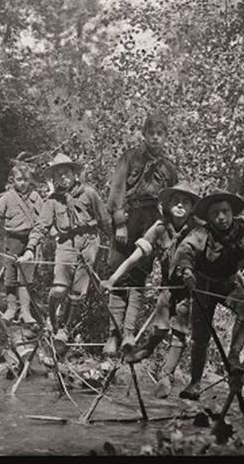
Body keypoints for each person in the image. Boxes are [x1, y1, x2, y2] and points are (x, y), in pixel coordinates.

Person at [101, 181, 200, 398]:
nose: (181, 205)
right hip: (168, 287)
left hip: (191, 288)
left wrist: (237, 279)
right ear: (168, 205)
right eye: (176, 201)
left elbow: (216, 256)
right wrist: (114, 278)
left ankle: (166, 376)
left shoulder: (199, 230)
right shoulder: (159, 229)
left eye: (186, 202)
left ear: (192, 207)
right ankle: (145, 350)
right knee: (161, 327)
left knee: (180, 330)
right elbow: (135, 258)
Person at [174, 189, 244, 400]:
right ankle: (195, 383)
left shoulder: (243, 226)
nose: (221, 217)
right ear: (209, 217)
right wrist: (187, 271)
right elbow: (185, 250)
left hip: (229, 284)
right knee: (200, 337)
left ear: (232, 212)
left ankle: (233, 358)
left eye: (225, 211)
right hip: (203, 285)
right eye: (215, 213)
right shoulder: (201, 233)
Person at [104, 112, 179, 355]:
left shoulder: (168, 167)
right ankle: (112, 336)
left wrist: (165, 232)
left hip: (150, 223)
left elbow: (174, 202)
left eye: (160, 134)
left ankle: (128, 333)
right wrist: (119, 222)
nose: (155, 138)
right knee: (119, 277)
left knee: (138, 278)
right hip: (128, 218)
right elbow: (117, 188)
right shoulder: (130, 157)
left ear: (165, 137)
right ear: (144, 135)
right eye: (151, 134)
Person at [19, 153, 112, 346]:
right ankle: (52, 320)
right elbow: (41, 226)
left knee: (78, 293)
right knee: (59, 289)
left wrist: (112, 249)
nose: (63, 177)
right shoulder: (53, 200)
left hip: (89, 242)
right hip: (66, 244)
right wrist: (30, 248)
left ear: (74, 174)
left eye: (66, 172)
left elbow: (105, 220)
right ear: (54, 178)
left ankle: (65, 330)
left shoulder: (89, 193)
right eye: (58, 174)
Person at [0, 157, 44, 324]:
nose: (23, 183)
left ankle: (25, 311)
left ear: (30, 180)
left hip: (30, 243)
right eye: (19, 180)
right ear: (13, 180)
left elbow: (45, 220)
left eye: (26, 180)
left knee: (25, 278)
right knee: (10, 276)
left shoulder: (36, 198)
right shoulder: (7, 198)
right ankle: (11, 308)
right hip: (12, 241)